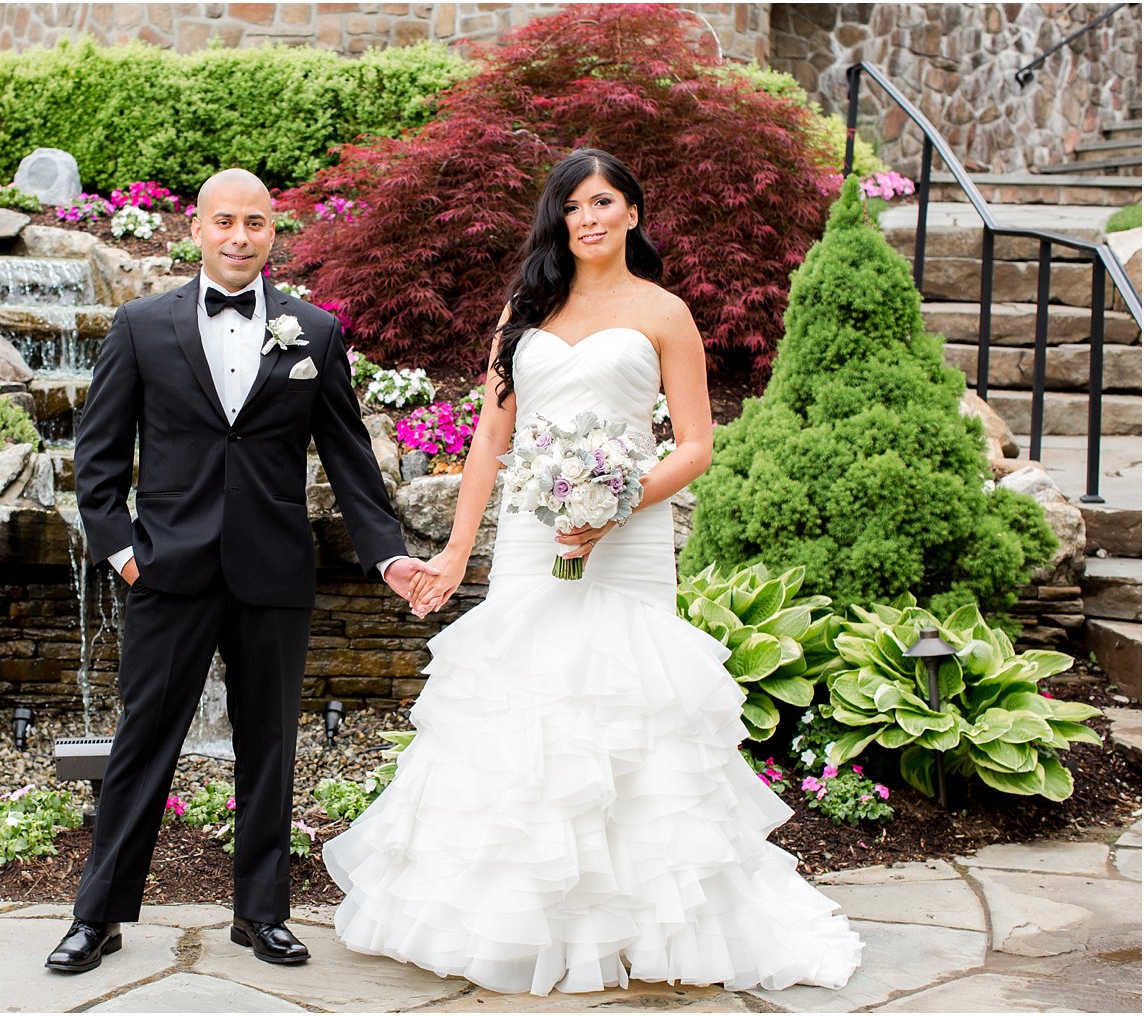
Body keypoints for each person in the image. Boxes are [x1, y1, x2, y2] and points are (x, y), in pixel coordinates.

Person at [322, 149, 864, 996]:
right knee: (525, 705)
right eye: (572, 205)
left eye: (604, 201)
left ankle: (644, 927)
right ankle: (520, 923)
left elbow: (694, 444)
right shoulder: (525, 312)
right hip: (536, 539)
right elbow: (490, 444)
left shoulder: (664, 311)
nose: (589, 217)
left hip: (630, 539)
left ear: (633, 213)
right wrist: (457, 551)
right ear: (558, 220)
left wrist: (614, 506)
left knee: (630, 708)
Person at [51, 168, 435, 973]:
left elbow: (350, 457)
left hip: (272, 575)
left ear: (272, 232)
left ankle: (260, 914)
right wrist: (124, 556)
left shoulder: (315, 333)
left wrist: (389, 551)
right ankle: (98, 915)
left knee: (270, 748)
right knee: (141, 745)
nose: (239, 236)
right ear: (196, 228)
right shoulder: (140, 326)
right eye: (224, 221)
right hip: (165, 573)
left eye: (255, 223)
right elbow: (97, 459)